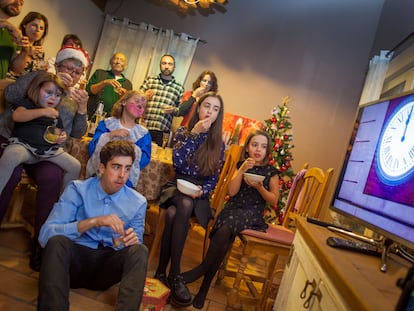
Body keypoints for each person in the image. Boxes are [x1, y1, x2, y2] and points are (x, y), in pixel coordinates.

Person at [0, 45, 90, 271]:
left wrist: (82, 109)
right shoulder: (41, 84)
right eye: (66, 67)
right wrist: (41, 76)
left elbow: (77, 133)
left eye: (77, 71)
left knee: (53, 178)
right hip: (19, 140)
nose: (71, 73)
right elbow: (10, 96)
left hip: (49, 150)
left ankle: (42, 242)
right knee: (9, 174)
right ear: (56, 65)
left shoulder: (72, 97)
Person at [37, 140, 148, 311]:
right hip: (74, 264)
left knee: (140, 251)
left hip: (106, 268)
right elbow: (45, 236)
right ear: (102, 168)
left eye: (127, 168)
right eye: (116, 167)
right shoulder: (77, 189)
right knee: (57, 242)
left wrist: (123, 242)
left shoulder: (138, 202)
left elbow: (133, 245)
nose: (122, 175)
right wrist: (93, 222)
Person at [181, 129, 280, 308]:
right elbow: (232, 192)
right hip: (233, 208)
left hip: (252, 213)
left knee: (225, 229)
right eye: (255, 144)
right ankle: (203, 287)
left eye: (263, 146)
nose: (258, 149)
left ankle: (202, 272)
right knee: (224, 235)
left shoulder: (271, 172)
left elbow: (274, 200)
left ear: (268, 151)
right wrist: (242, 169)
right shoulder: (242, 165)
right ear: (248, 147)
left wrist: (259, 187)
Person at [154, 91, 224, 307]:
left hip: (198, 193)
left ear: (218, 115)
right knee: (181, 204)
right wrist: (194, 135)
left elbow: (214, 178)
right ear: (199, 108)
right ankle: (175, 274)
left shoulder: (218, 143)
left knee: (175, 213)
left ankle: (160, 273)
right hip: (177, 186)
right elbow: (178, 164)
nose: (209, 112)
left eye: (215, 109)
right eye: (206, 106)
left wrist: (202, 191)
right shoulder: (185, 131)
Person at [0, 71, 81, 194]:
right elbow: (17, 116)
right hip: (24, 146)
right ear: (37, 90)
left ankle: (65, 203)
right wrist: (43, 112)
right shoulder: (28, 104)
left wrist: (61, 137)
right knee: (11, 155)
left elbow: (60, 132)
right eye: (49, 92)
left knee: (75, 166)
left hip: (47, 151)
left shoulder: (55, 113)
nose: (53, 98)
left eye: (58, 95)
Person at [86, 90, 151, 188]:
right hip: (101, 176)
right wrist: (110, 135)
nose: (140, 105)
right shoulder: (107, 124)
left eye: (143, 105)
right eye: (137, 101)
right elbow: (92, 149)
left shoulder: (143, 134)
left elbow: (144, 160)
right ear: (123, 102)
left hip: (125, 181)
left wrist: (134, 149)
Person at [139, 54, 184, 146]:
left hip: (162, 132)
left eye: (170, 64)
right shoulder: (150, 80)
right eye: (164, 63)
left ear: (174, 67)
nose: (167, 66)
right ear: (160, 65)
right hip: (144, 127)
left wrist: (173, 110)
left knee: (156, 158)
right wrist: (144, 96)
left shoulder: (179, 88)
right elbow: (136, 100)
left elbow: (180, 110)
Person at [86, 52, 133, 118]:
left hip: (112, 120)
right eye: (116, 59)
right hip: (91, 115)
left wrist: (123, 97)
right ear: (111, 62)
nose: (118, 62)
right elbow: (89, 90)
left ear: (125, 66)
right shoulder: (99, 73)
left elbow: (127, 107)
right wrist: (104, 83)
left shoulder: (128, 84)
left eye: (121, 60)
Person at [8, 11, 49, 77]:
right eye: (34, 25)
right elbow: (12, 71)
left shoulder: (39, 52)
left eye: (41, 28)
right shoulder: (16, 42)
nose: (38, 30)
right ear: (25, 25)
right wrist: (26, 53)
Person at [0, 0, 28, 81]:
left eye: (21, 2)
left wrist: (24, 51)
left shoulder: (12, 33)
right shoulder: (9, 27)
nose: (18, 3)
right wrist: (6, 24)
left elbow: (16, 69)